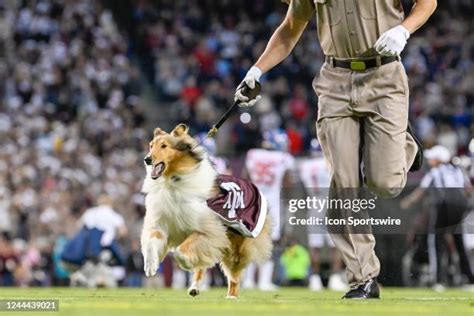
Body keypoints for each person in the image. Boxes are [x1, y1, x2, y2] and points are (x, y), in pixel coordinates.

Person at [234, 0, 437, 299]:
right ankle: (364, 279)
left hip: (384, 78)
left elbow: (428, 2)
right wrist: (256, 70)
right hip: (335, 83)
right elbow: (291, 28)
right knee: (345, 185)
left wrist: (403, 30)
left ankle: (404, 146)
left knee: (385, 182)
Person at [401, 145, 474, 288]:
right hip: (459, 209)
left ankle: (438, 281)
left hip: (443, 207)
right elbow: (467, 190)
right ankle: (469, 280)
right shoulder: (457, 171)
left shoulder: (435, 172)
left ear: (438, 160)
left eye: (432, 158)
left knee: (435, 243)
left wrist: (407, 202)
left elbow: (421, 190)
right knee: (460, 244)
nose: (429, 161)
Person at [243, 128, 295, 290]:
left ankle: (248, 280)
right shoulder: (284, 158)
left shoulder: (252, 154)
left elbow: (245, 179)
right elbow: (288, 185)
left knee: (250, 240)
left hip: (253, 202)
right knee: (270, 242)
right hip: (272, 203)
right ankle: (264, 281)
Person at [297, 140, 347, 291]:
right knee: (336, 245)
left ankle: (315, 279)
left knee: (314, 246)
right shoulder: (331, 163)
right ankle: (334, 278)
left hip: (314, 204)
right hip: (331, 203)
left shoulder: (304, 165)